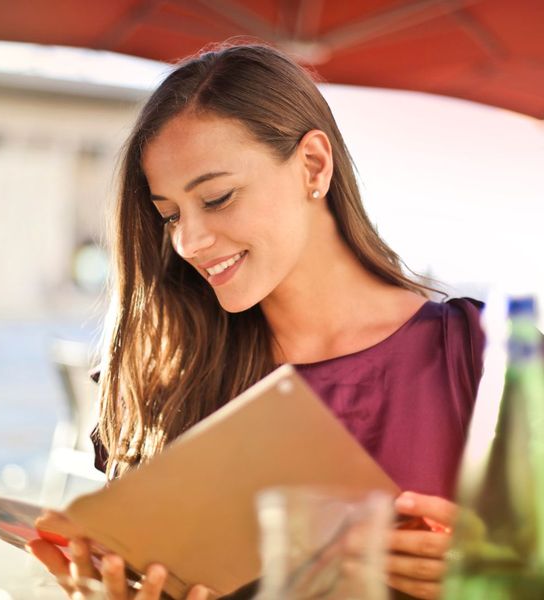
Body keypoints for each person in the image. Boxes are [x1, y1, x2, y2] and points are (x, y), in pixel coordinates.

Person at [28, 43, 484, 600]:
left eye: (217, 198)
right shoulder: (168, 376)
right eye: (170, 215)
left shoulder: (478, 358)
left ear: (313, 166)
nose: (188, 242)